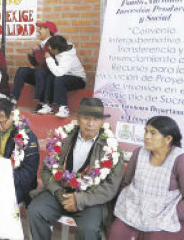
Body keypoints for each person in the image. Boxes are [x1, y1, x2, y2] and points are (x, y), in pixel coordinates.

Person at [28, 98, 124, 240]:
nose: (90, 124)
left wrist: (79, 200)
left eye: (96, 119)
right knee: (35, 211)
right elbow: (46, 171)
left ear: (102, 122)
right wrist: (58, 191)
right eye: (86, 118)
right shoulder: (62, 137)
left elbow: (111, 187)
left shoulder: (111, 149)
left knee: (89, 229)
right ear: (78, 118)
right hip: (61, 192)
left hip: (91, 199)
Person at [109, 116, 184, 240]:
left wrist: (167, 216)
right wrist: (128, 207)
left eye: (153, 133)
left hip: (166, 216)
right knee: (117, 233)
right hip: (133, 211)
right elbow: (125, 184)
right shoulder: (138, 153)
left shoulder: (182, 160)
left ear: (168, 139)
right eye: (146, 131)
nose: (146, 136)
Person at [0, 98, 39, 204]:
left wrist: (2, 179)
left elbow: (27, 174)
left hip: (17, 183)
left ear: (12, 115)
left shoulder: (27, 138)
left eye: (2, 122)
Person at [12, 21, 57, 112]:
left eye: (40, 28)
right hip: (40, 73)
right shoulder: (42, 44)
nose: (38, 31)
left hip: (49, 76)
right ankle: (13, 100)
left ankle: (41, 103)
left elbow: (42, 62)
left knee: (39, 72)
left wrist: (35, 52)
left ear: (47, 30)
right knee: (22, 70)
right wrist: (31, 55)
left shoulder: (52, 43)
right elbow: (36, 64)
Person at [37, 35, 86, 118]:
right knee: (49, 77)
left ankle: (64, 108)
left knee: (59, 79)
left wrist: (49, 59)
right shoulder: (61, 49)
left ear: (56, 49)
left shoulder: (67, 56)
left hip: (79, 79)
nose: (48, 48)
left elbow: (58, 73)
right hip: (66, 75)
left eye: (50, 46)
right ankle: (48, 106)